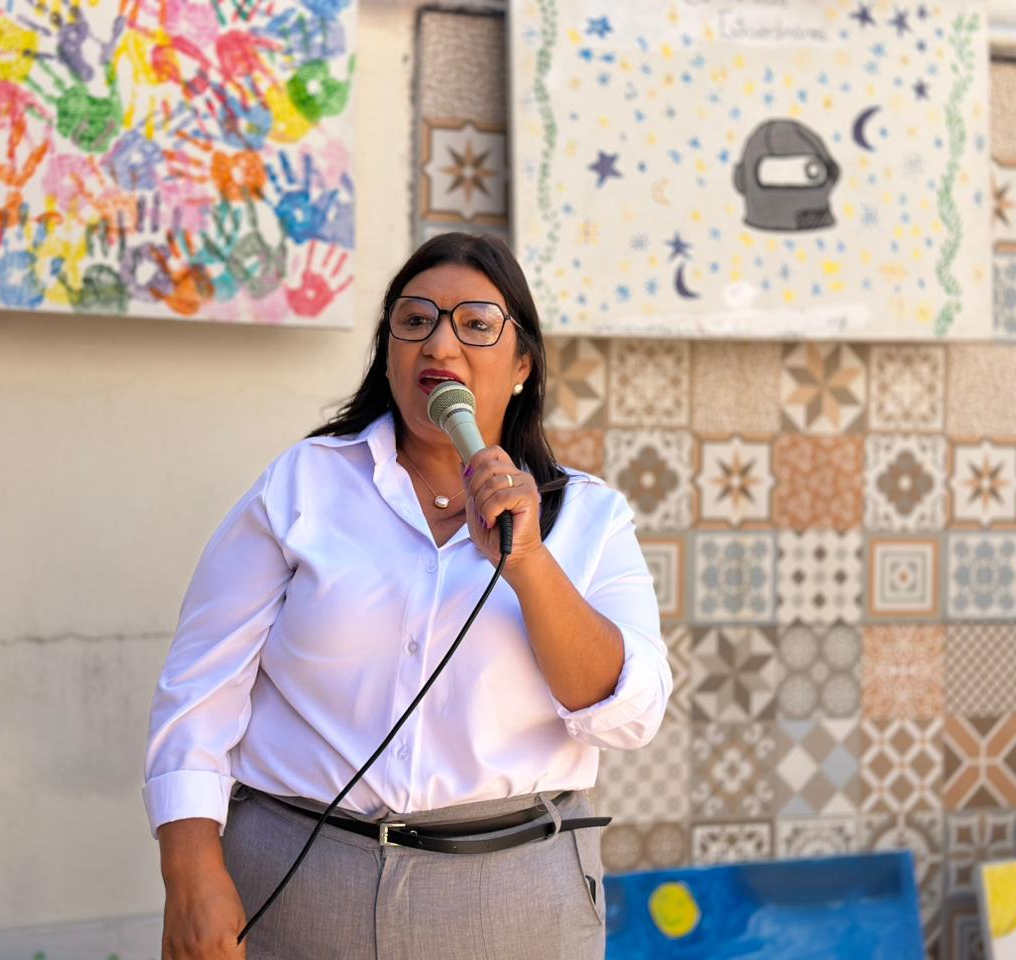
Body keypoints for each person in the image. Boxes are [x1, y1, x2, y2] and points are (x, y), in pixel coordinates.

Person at [144, 232, 671, 960]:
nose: (440, 345)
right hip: (296, 876)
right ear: (388, 351)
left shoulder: (590, 517)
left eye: (476, 324)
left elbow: (629, 716)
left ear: (522, 365)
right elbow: (201, 688)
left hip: (510, 896)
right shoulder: (303, 483)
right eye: (415, 320)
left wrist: (528, 562)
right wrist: (190, 870)